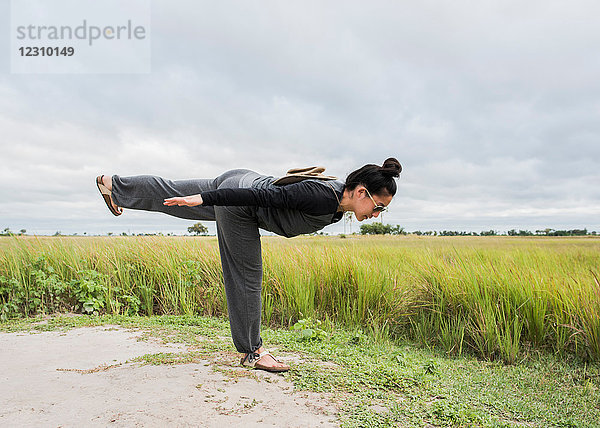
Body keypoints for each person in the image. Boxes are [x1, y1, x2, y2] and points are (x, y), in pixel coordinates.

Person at [96, 158, 402, 372]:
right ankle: (252, 351)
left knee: (172, 192)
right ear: (361, 192)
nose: (376, 215)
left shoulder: (335, 198)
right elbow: (259, 195)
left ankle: (113, 185)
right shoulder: (321, 197)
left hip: (240, 177)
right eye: (377, 207)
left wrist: (205, 197)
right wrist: (205, 199)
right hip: (241, 203)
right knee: (247, 276)